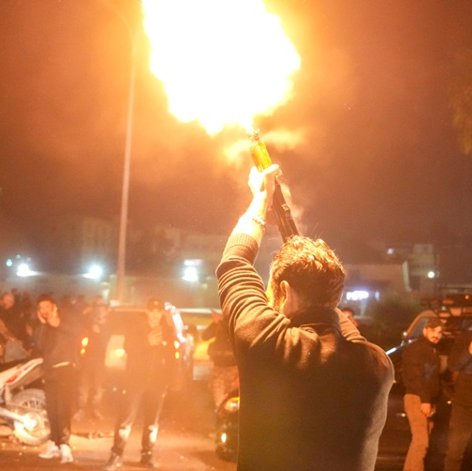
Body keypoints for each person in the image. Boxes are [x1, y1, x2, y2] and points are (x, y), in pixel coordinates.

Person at [216, 164, 394, 471]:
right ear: (335, 295)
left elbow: (235, 261)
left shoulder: (268, 345)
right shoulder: (377, 366)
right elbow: (335, 320)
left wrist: (259, 202)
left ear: (285, 291)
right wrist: (302, 256)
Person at [104, 298, 176, 470]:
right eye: (152, 311)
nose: (155, 315)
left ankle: (147, 455)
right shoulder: (136, 327)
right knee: (125, 419)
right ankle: (116, 455)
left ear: (161, 313)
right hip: (135, 380)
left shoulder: (167, 330)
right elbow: (129, 347)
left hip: (157, 383)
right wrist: (147, 342)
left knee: (152, 422)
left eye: (158, 311)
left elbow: (172, 356)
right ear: (147, 311)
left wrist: (169, 379)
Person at [33, 294, 81, 464]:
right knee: (52, 410)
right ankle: (54, 443)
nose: (44, 311)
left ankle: (65, 446)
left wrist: (58, 324)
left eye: (47, 307)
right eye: (41, 308)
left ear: (54, 306)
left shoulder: (66, 317)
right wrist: (43, 325)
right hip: (50, 371)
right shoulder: (43, 325)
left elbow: (78, 332)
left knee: (63, 409)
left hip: (66, 370)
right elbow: (38, 344)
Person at [401, 316, 443, 471]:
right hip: (416, 398)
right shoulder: (416, 349)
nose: (437, 335)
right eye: (433, 330)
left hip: (427, 400)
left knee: (420, 443)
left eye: (440, 332)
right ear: (425, 330)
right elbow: (415, 377)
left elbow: (433, 378)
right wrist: (425, 400)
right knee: (421, 442)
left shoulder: (431, 350)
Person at [74, 301, 110, 421]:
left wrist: (101, 330)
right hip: (87, 359)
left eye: (102, 308)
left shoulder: (109, 325)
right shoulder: (88, 322)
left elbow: (108, 339)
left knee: (98, 388)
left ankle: (95, 409)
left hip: (101, 360)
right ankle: (81, 409)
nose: (99, 311)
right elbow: (79, 330)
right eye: (97, 308)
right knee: (83, 387)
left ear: (106, 310)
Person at [444, 328, 472, 471]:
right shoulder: (465, 337)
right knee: (455, 453)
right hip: (464, 405)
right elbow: (452, 365)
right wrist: (469, 352)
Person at [201, 310, 239, 409]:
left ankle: (234, 421)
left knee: (235, 402)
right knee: (219, 403)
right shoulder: (219, 324)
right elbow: (205, 336)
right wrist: (215, 323)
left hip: (234, 370)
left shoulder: (238, 323)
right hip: (218, 369)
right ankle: (221, 420)